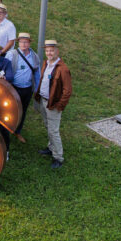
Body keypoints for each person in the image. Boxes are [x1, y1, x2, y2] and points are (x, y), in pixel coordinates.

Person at [35, 39, 72, 170]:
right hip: (44, 101)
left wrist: (59, 105)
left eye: (52, 50)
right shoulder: (46, 63)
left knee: (54, 131)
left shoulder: (63, 69)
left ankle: (58, 157)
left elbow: (67, 91)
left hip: (53, 105)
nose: (49, 53)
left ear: (57, 51)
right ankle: (51, 148)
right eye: (47, 50)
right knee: (48, 126)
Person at [7, 32, 41, 143]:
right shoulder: (11, 54)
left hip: (27, 89)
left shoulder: (35, 56)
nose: (23, 44)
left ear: (29, 43)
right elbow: (6, 69)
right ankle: (7, 129)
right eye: (21, 42)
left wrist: (36, 89)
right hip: (13, 87)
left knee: (23, 110)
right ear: (18, 43)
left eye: (26, 42)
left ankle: (17, 131)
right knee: (10, 109)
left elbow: (37, 74)